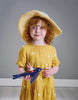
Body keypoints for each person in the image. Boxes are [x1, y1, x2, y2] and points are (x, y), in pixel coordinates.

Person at [16, 10, 62, 100]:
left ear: (47, 31)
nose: (37, 30)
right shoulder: (25, 49)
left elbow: (56, 66)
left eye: (41, 28)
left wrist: (52, 71)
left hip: (46, 84)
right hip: (31, 85)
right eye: (33, 27)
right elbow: (20, 67)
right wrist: (25, 74)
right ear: (28, 30)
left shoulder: (52, 50)